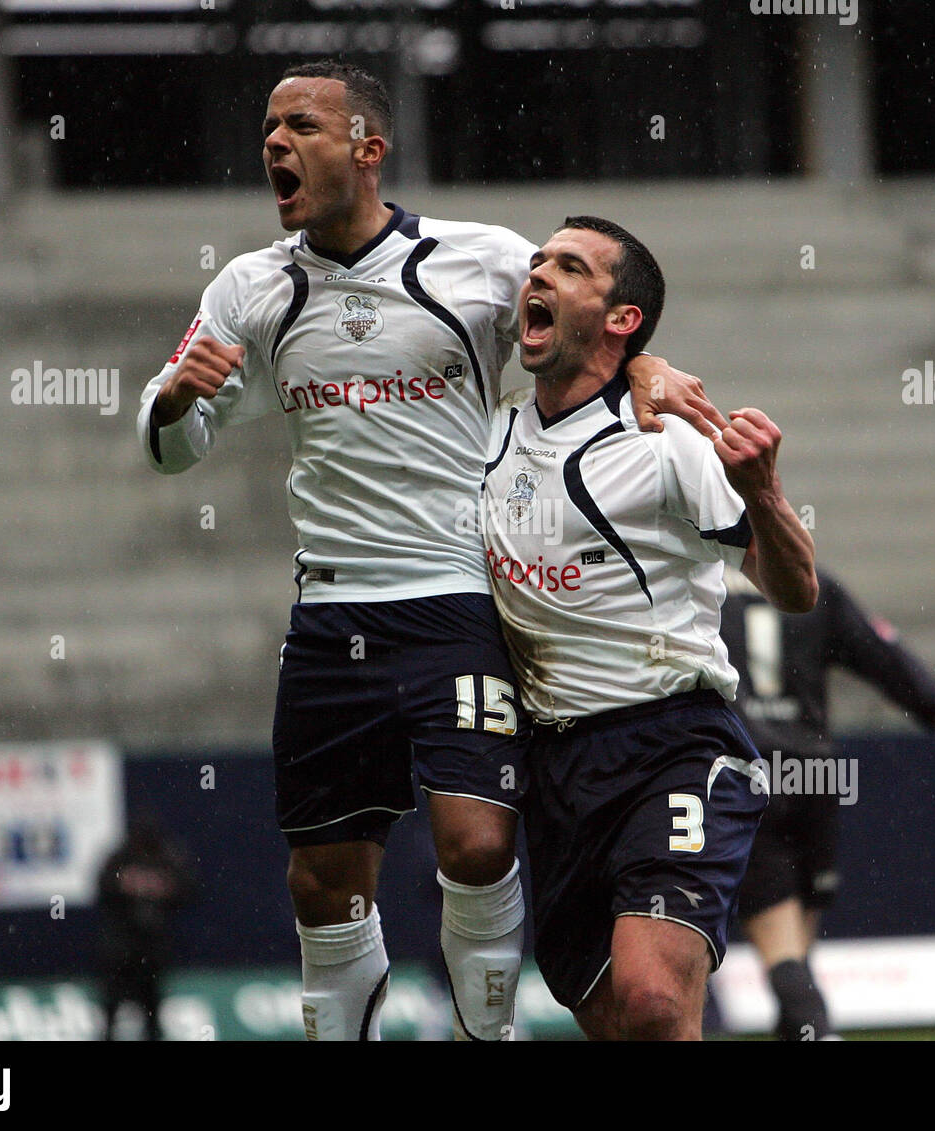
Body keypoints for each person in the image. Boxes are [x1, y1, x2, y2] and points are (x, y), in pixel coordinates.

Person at [135, 60, 724, 1041]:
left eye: (303, 127)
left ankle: (482, 1035)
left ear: (367, 149)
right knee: (323, 884)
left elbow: (596, 307)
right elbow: (165, 451)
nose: (276, 144)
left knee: (479, 842)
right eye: (269, 127)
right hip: (327, 613)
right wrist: (179, 399)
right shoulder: (248, 286)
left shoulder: (481, 259)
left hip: (456, 599)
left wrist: (648, 360)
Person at [481, 215, 817, 1040]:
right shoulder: (481, 437)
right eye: (536, 263)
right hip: (553, 767)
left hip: (674, 743)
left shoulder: (668, 440)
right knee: (614, 1019)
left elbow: (796, 586)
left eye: (569, 266)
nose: (538, 276)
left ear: (622, 317)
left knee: (654, 1000)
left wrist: (765, 494)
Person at [721, 565, 935, 1040]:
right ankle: (805, 1030)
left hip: (745, 770)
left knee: (779, 943)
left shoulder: (695, 586)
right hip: (814, 775)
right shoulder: (809, 582)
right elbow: (887, 660)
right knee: (797, 943)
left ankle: (819, 1033)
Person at [96, 814, 196, 1040]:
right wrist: (132, 886)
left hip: (151, 949)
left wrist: (159, 889)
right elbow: (102, 888)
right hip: (120, 948)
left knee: (151, 1013)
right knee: (110, 1011)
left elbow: (188, 890)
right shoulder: (120, 858)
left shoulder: (167, 858)